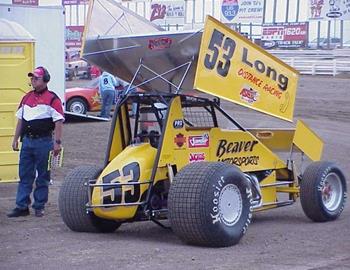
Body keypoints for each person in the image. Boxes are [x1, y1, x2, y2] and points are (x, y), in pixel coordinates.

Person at [7, 66, 64, 218]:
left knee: (43, 176)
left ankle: (39, 206)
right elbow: (20, 120)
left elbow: (59, 122)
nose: (33, 80)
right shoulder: (26, 97)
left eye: (36, 78)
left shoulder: (53, 99)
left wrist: (57, 143)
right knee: (25, 175)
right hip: (27, 141)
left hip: (44, 142)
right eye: (32, 78)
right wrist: (15, 139)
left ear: (45, 80)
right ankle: (22, 206)